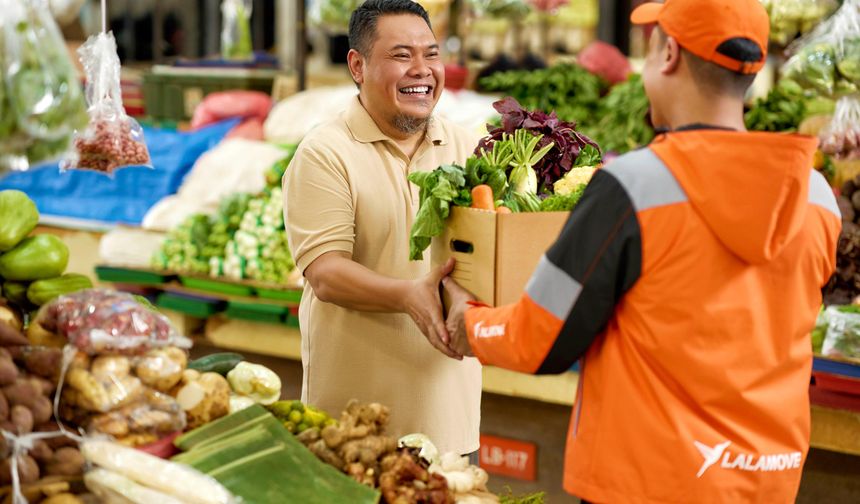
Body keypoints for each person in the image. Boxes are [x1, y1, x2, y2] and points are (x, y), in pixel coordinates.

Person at [441, 0, 842, 501]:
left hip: (645, 481)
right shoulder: (816, 195)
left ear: (668, 53)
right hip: (767, 480)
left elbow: (539, 337)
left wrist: (468, 320)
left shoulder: (634, 186)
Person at [282, 0, 482, 455]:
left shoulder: (468, 147)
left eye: (431, 54)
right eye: (401, 55)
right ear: (358, 65)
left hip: (451, 426)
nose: (422, 70)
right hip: (353, 431)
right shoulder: (325, 153)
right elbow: (326, 274)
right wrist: (409, 296)